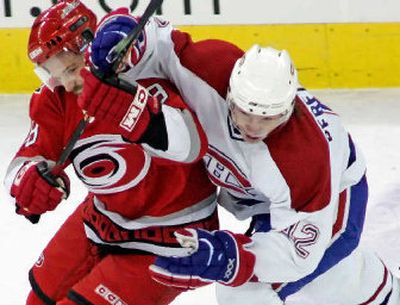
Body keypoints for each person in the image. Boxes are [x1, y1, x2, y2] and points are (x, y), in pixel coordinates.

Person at [84, 8, 400, 305]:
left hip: (332, 199)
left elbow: (298, 253)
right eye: (245, 111)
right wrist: (129, 37)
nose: (253, 125)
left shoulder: (304, 160)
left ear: (288, 109)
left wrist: (231, 256)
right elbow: (159, 43)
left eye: (268, 118)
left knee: (249, 290)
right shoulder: (210, 67)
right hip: (265, 196)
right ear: (230, 89)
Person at [3, 1, 219, 304]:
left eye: (71, 69)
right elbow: (28, 156)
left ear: (90, 46)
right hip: (103, 218)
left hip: (175, 237)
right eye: (54, 74)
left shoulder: (141, 78)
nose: (67, 83)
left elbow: (193, 145)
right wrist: (27, 179)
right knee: (36, 300)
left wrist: (141, 116)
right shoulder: (58, 97)